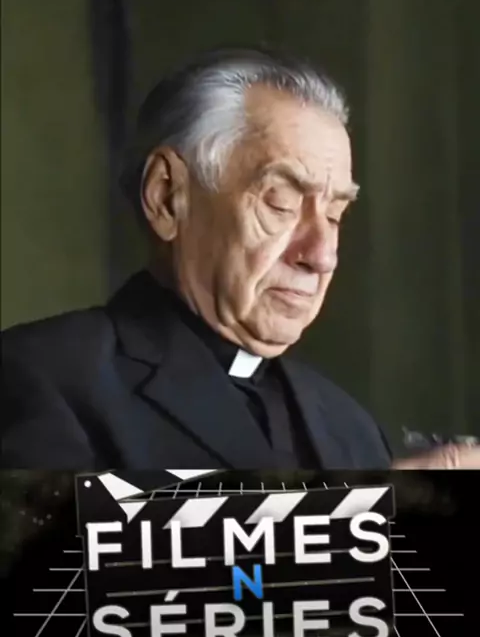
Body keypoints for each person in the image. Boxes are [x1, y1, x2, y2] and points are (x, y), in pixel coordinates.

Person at [1, 47, 478, 471]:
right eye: (280, 202)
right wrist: (354, 523)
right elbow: (54, 546)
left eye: (335, 214)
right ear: (168, 197)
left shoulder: (349, 424)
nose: (322, 255)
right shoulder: (39, 378)